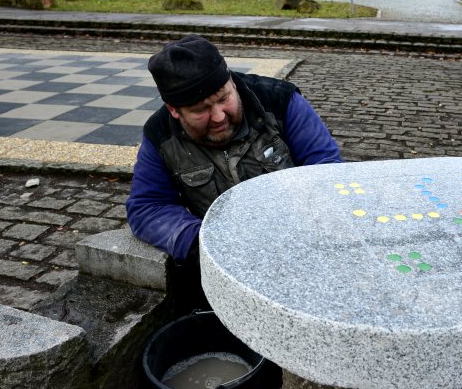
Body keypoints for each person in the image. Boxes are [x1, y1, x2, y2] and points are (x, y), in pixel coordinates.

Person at [126, 34, 342, 309]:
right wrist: (203, 244)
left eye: (223, 98)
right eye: (200, 110)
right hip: (227, 270)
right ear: (174, 110)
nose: (218, 116)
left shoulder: (281, 101)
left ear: (230, 81)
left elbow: (327, 173)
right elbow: (148, 207)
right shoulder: (160, 134)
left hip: (304, 248)